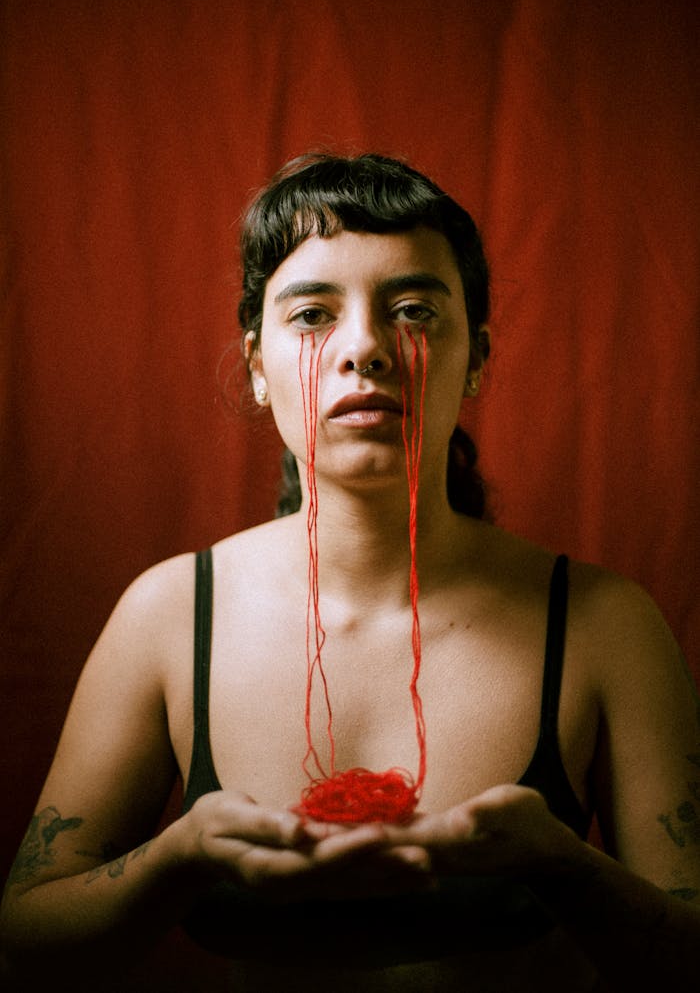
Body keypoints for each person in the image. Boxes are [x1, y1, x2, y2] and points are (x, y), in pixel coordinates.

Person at [1, 153, 699, 992]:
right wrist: (176, 857)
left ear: (475, 356)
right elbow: (25, 944)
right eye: (312, 315)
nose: (364, 346)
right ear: (257, 365)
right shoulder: (168, 614)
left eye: (411, 310)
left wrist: (565, 868)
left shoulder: (602, 623)